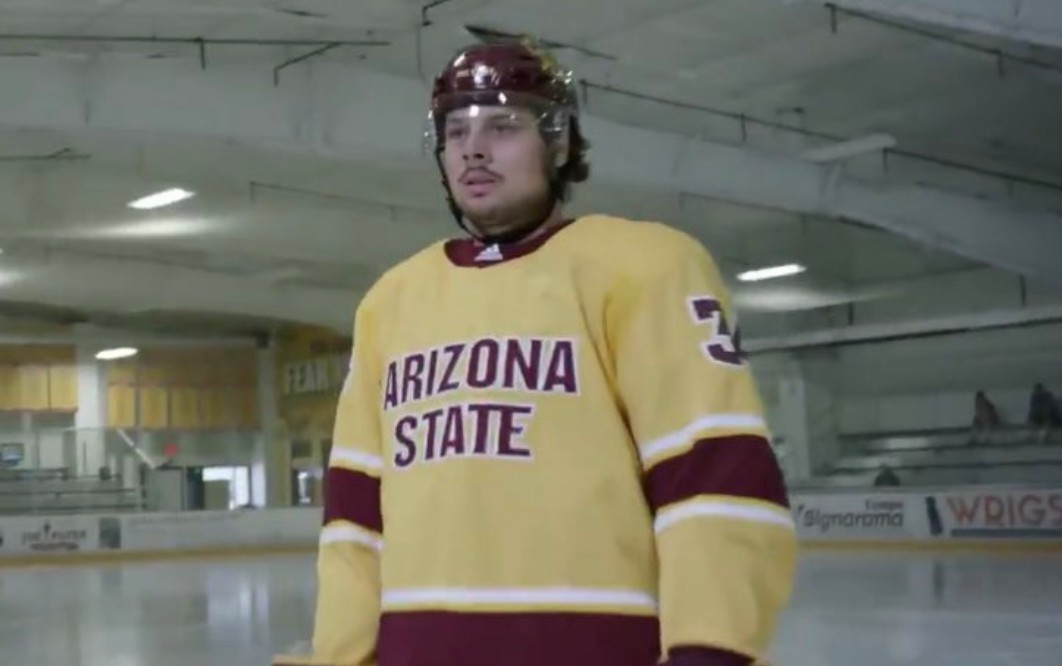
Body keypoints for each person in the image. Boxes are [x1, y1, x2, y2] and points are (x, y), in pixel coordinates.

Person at [274, 39, 797, 666]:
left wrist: (712, 653)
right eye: (455, 131)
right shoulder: (390, 301)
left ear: (559, 143)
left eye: (503, 126)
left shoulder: (646, 267)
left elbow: (716, 479)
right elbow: (355, 520)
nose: (473, 148)